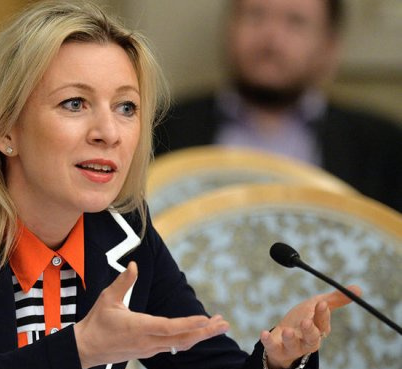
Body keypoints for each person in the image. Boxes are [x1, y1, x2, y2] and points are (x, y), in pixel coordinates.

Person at [0, 1, 359, 369]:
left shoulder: (125, 237)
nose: (108, 132)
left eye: (126, 107)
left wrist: (278, 361)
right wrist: (77, 351)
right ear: (4, 129)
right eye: (75, 103)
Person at [155, 0, 402, 213]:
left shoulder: (384, 148)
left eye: (295, 22)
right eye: (256, 15)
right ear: (229, 27)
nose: (271, 38)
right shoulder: (159, 128)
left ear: (330, 46)